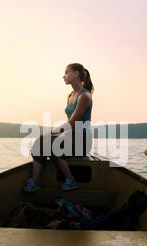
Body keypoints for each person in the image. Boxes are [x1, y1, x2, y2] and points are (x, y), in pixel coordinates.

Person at [23, 63, 94, 192]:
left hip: (83, 141)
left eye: (67, 72)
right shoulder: (71, 96)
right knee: (39, 141)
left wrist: (50, 134)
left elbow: (72, 122)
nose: (63, 76)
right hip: (70, 137)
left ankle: (71, 180)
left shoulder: (85, 96)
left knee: (53, 143)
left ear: (76, 74)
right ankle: (35, 181)